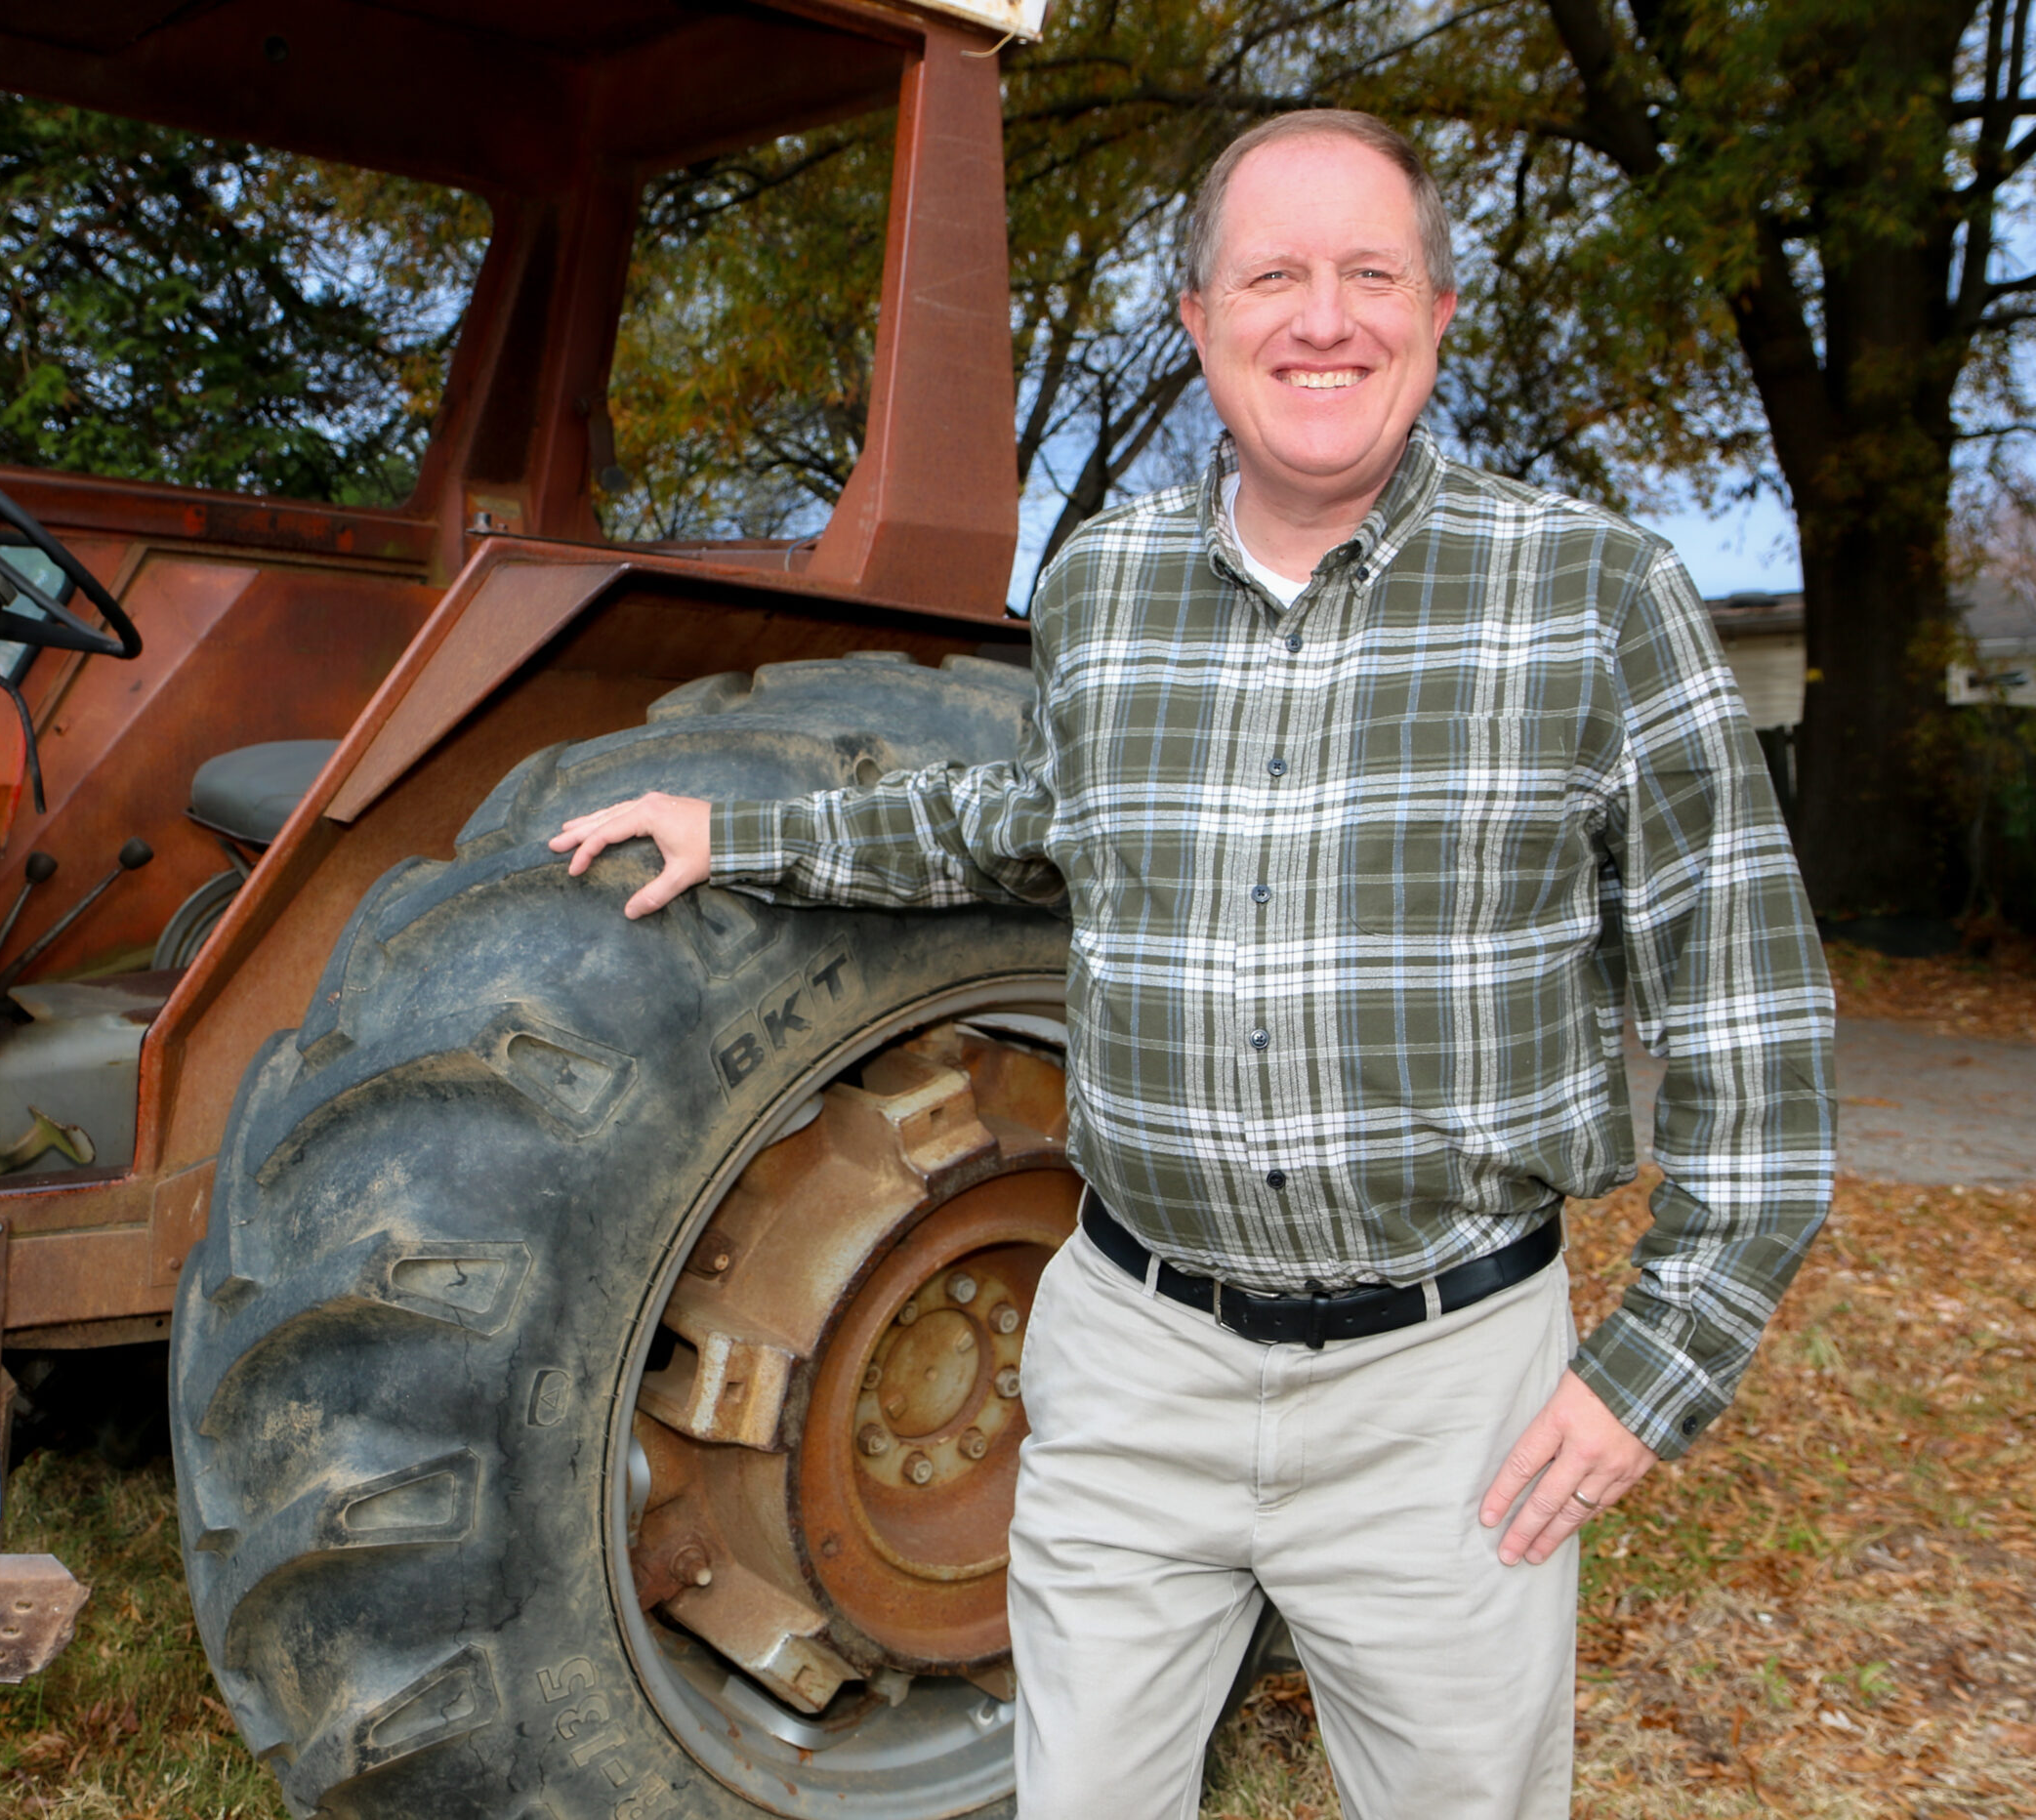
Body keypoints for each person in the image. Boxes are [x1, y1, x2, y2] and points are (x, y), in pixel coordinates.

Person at [550, 108, 1835, 1820]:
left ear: (1439, 312)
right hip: (1133, 1358)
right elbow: (1025, 819)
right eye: (1275, 275)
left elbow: (1754, 1020)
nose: (1326, 318)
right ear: (1198, 315)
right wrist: (748, 833)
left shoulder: (1596, 598)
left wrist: (1654, 1374)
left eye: (1372, 274)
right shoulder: (1109, 584)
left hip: (1439, 1390)